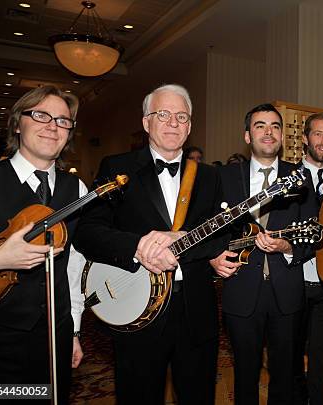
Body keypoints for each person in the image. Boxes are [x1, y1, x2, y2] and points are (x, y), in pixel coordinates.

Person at [73, 84, 223, 404]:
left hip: (195, 311)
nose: (173, 122)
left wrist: (186, 242)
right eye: (163, 114)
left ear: (190, 126)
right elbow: (88, 231)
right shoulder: (116, 168)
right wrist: (138, 246)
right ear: (146, 123)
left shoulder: (209, 176)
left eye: (181, 116)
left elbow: (223, 237)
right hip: (135, 309)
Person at [0, 85, 86, 403]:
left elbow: (74, 267)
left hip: (55, 337)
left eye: (63, 120)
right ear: (17, 123)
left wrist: (74, 331)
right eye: (41, 115)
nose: (53, 126)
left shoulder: (77, 187)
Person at [210, 103, 315, 404]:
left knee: (286, 374)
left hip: (287, 292)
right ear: (247, 136)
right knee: (244, 373)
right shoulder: (225, 178)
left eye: (275, 126)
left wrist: (289, 247)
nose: (268, 132)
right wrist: (215, 258)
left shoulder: (300, 176)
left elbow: (313, 233)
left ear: (283, 136)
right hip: (241, 290)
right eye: (260, 126)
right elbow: (209, 230)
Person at [293, 112, 323, 405]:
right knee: (291, 356)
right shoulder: (287, 179)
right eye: (318, 134)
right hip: (293, 281)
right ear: (304, 139)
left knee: (322, 357)